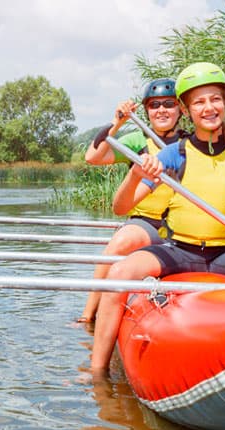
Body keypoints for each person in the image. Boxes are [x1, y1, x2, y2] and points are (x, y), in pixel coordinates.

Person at [90, 62, 225, 372]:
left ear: (224, 103)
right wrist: (135, 175)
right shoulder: (172, 154)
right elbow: (121, 207)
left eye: (215, 99)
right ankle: (97, 374)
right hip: (179, 249)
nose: (209, 107)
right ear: (188, 109)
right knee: (118, 275)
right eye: (199, 102)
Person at [77, 78, 186, 323]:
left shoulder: (189, 142)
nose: (161, 110)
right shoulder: (138, 141)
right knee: (120, 243)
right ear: (147, 111)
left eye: (168, 104)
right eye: (154, 105)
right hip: (146, 223)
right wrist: (118, 123)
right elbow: (93, 157)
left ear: (180, 109)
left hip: (184, 224)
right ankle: (88, 315)